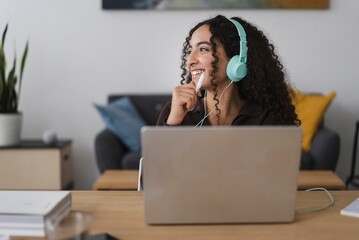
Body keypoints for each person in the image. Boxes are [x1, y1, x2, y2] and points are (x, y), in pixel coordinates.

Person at [157, 15, 300, 127]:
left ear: (236, 61)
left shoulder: (264, 117)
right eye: (190, 51)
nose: (190, 61)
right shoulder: (176, 111)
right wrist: (174, 121)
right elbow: (157, 164)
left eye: (203, 49)